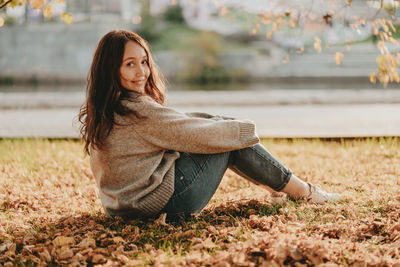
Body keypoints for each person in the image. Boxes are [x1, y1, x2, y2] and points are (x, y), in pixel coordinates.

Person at [78, 30, 340, 221]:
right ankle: (305, 192)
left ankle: (277, 188)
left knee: (221, 128)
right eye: (130, 64)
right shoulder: (138, 110)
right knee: (227, 139)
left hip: (120, 207)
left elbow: (178, 123)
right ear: (111, 70)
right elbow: (189, 131)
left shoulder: (105, 109)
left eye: (144, 62)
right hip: (163, 205)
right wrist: (243, 129)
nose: (142, 72)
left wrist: (220, 123)